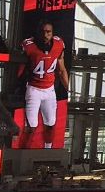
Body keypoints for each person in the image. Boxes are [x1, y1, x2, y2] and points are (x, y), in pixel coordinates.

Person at [19, 21, 69, 150]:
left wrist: (69, 89)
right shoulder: (29, 46)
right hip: (34, 89)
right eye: (42, 32)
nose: (45, 35)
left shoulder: (58, 45)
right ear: (37, 33)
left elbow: (61, 70)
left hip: (49, 90)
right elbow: (19, 70)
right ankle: (23, 153)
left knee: (51, 123)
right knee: (31, 126)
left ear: (52, 34)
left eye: (48, 32)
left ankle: (47, 151)